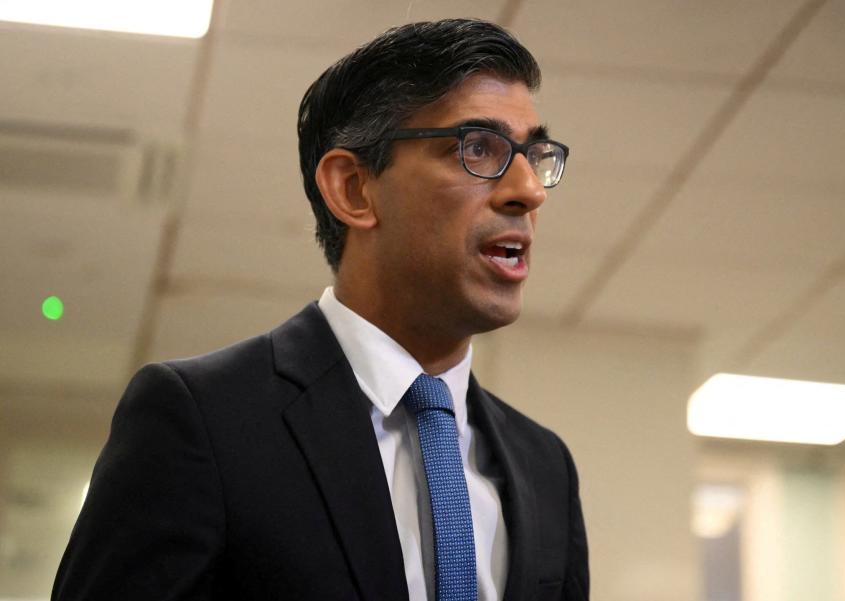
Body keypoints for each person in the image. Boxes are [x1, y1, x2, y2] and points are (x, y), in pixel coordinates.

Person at [52, 18, 587, 601]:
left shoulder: (545, 467)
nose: (529, 191)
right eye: (477, 148)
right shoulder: (202, 419)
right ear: (353, 189)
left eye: (535, 156)